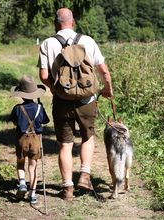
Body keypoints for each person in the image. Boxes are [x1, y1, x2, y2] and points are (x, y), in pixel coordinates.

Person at [37, 8, 113, 201]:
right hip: (87, 100)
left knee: (65, 144)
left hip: (62, 101)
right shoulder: (87, 40)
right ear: (73, 21)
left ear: (56, 23)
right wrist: (107, 88)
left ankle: (67, 188)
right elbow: (103, 69)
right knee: (87, 136)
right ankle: (85, 176)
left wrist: (56, 90)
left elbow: (44, 76)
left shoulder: (48, 43)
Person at [9, 75, 50, 204]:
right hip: (36, 140)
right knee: (33, 167)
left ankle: (22, 183)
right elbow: (45, 121)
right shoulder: (39, 108)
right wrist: (41, 108)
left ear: (21, 95)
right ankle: (32, 194)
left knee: (20, 164)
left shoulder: (17, 108)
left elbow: (15, 122)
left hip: (21, 139)